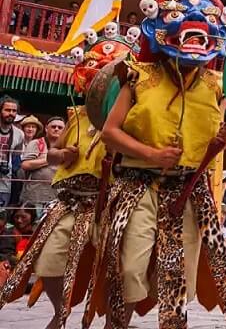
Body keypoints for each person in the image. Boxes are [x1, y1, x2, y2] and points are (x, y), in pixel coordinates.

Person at [98, 0, 226, 327]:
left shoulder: (217, 85)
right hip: (138, 185)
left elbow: (216, 135)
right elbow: (109, 132)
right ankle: (117, 322)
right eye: (181, 15)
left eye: (206, 17)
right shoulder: (139, 76)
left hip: (188, 192)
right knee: (128, 267)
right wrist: (149, 154)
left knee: (176, 279)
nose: (195, 24)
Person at [0, 30, 132, 328]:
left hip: (111, 202)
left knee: (116, 269)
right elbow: (52, 155)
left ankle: (115, 322)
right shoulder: (78, 114)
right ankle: (61, 313)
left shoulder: (131, 114)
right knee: (47, 265)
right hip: (70, 202)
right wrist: (62, 156)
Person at [18, 115, 57, 211]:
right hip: (34, 197)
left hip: (55, 198)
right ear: (46, 129)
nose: (56, 129)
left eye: (60, 127)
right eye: (53, 126)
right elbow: (25, 165)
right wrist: (51, 159)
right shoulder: (37, 143)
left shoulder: (66, 146)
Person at [0, 98, 24, 211]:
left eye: (14, 111)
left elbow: (16, 158)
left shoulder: (19, 134)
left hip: (4, 182)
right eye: (7, 110)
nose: (11, 113)